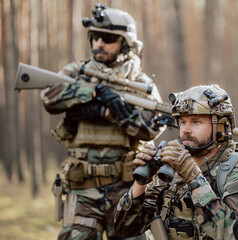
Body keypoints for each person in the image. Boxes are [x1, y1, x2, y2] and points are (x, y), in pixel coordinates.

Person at [41, 4, 163, 240]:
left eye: (107, 38)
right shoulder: (77, 72)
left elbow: (152, 127)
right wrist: (94, 94)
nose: (99, 43)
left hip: (126, 187)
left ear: (125, 43)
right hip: (82, 187)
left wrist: (112, 113)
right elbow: (48, 96)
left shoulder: (139, 82)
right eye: (95, 37)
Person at [113, 84, 238, 239]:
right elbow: (125, 228)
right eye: (183, 122)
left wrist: (194, 179)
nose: (186, 130)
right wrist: (141, 183)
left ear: (220, 126)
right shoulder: (171, 171)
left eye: (196, 122)